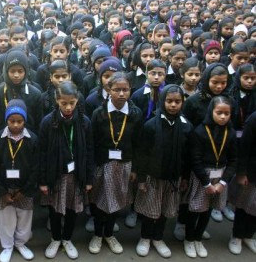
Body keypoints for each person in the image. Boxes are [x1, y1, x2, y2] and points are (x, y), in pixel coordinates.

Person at [135, 85, 194, 258]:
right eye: (169, 101)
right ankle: (145, 237)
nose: (173, 105)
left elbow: (187, 156)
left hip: (173, 177)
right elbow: (142, 154)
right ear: (162, 101)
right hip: (153, 176)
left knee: (165, 209)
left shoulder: (186, 127)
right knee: (149, 209)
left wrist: (185, 177)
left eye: (177, 101)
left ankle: (158, 238)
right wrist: (141, 179)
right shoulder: (151, 125)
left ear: (183, 103)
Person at [89, 72, 143, 255]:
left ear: (130, 91)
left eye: (125, 90)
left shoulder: (135, 114)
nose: (121, 94)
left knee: (116, 200)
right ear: (108, 90)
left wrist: (135, 168)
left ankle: (109, 234)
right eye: (117, 90)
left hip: (123, 164)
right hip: (102, 164)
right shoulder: (99, 114)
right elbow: (92, 142)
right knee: (98, 200)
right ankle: (97, 234)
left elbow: (138, 143)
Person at [39, 81, 93, 259]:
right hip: (56, 174)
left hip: (76, 175)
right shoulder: (48, 122)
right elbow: (43, 152)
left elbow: (89, 151)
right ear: (57, 101)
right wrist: (43, 180)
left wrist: (89, 179)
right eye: (64, 103)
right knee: (54, 209)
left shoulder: (84, 122)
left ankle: (67, 238)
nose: (68, 107)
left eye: (72, 103)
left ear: (77, 100)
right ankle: (55, 238)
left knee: (72, 208)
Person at [184, 96, 237, 258]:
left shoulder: (231, 132)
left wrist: (223, 182)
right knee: (195, 209)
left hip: (220, 176)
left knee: (208, 209)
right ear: (211, 111)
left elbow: (234, 160)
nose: (223, 117)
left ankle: (198, 238)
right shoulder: (200, 131)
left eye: (227, 113)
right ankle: (189, 239)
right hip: (202, 176)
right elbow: (195, 160)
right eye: (219, 112)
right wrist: (206, 183)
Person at [0, 99, 38, 262]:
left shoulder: (32, 140)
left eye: (19, 121)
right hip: (4, 187)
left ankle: (21, 243)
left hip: (25, 189)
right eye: (12, 121)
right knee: (6, 218)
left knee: (25, 217)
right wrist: (1, 192)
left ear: (25, 120)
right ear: (6, 120)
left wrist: (25, 191)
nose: (16, 125)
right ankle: (8, 245)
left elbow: (35, 167)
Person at [229, 110, 256, 254]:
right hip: (252, 171)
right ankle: (237, 235)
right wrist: (241, 172)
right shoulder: (254, 118)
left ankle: (249, 236)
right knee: (244, 203)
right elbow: (244, 147)